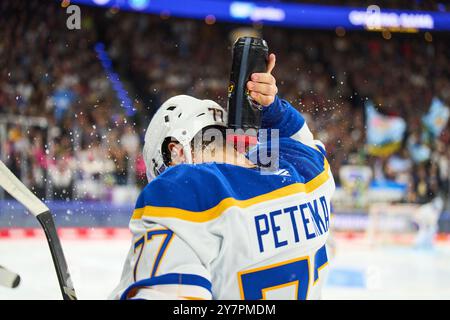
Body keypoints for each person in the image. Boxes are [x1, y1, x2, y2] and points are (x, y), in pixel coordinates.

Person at [110, 54, 336, 300]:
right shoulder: (311, 170)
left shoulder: (185, 192)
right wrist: (269, 107)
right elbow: (299, 140)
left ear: (175, 152)